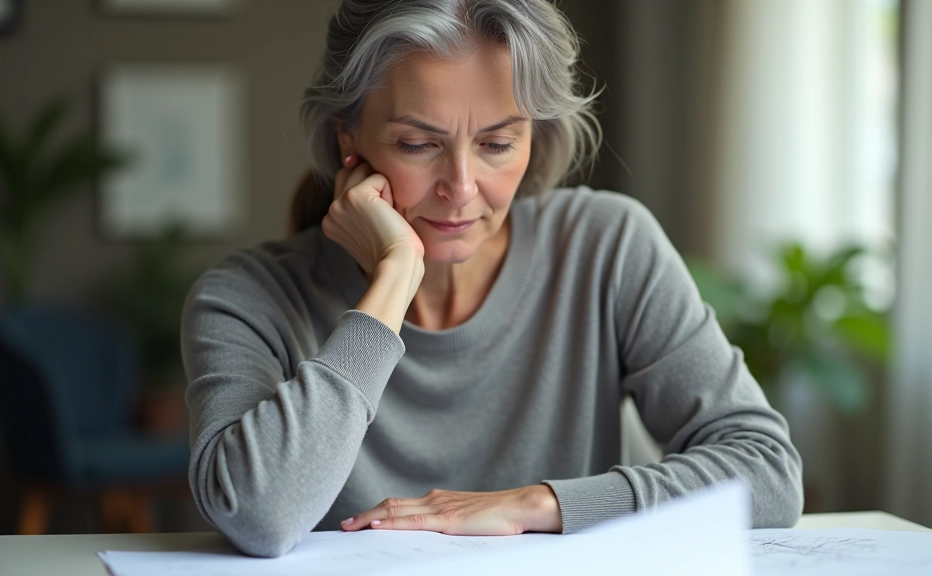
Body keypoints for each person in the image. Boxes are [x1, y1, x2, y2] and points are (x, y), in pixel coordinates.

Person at [181, 0, 803, 559]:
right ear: (350, 135)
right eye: (417, 144)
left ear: (536, 137)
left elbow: (767, 473)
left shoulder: (607, 247)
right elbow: (258, 515)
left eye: (497, 144)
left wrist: (534, 504)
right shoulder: (246, 298)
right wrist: (395, 277)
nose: (461, 187)